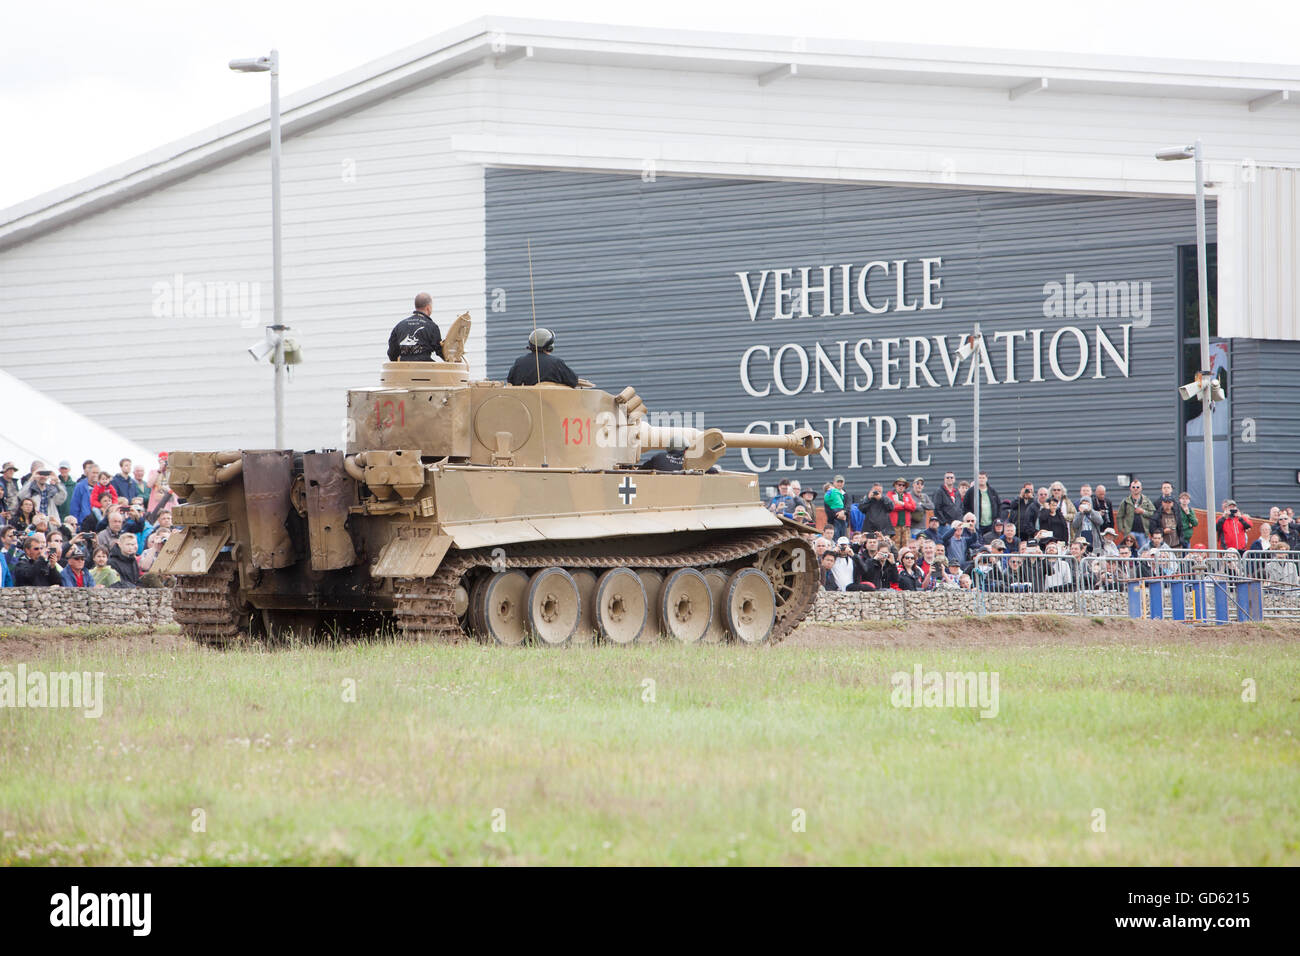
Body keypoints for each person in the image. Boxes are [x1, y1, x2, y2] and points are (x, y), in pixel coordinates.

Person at [506, 328, 579, 387]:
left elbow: (510, 381)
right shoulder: (556, 363)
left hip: (525, 403)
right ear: (550, 346)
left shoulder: (519, 362)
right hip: (550, 403)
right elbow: (573, 381)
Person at [387, 292, 443, 362]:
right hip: (425, 370)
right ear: (428, 308)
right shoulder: (432, 326)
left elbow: (392, 353)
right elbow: (441, 352)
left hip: (404, 370)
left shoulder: (399, 326)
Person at [1115, 479, 1154, 552]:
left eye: (1137, 487)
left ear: (1141, 488)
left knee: (1144, 552)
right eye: (1133, 487)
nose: (1135, 489)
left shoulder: (1146, 500)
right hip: (1130, 532)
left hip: (1143, 533)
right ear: (1130, 488)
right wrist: (1122, 529)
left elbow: (1152, 513)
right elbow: (1119, 516)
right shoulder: (1125, 501)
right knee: (1128, 551)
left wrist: (1143, 511)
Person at [962, 472, 1002, 537]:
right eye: (979, 478)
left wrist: (998, 518)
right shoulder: (971, 491)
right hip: (977, 524)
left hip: (991, 524)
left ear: (986, 479)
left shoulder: (992, 491)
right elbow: (965, 506)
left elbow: (999, 505)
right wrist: (969, 519)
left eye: (983, 478)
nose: (981, 480)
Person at [886, 478, 916, 550]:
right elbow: (891, 506)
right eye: (899, 485)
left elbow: (913, 507)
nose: (901, 486)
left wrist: (901, 503)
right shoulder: (890, 494)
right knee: (895, 545)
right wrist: (905, 506)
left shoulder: (908, 495)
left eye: (903, 485)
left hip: (906, 525)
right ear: (895, 485)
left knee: (906, 546)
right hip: (894, 525)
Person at [823, 475, 848, 540]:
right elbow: (828, 510)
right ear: (834, 483)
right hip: (833, 522)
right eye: (838, 482)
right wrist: (838, 515)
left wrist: (843, 512)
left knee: (843, 539)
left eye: (841, 482)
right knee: (835, 540)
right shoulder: (828, 495)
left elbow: (848, 507)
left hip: (844, 521)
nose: (839, 484)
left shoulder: (846, 494)